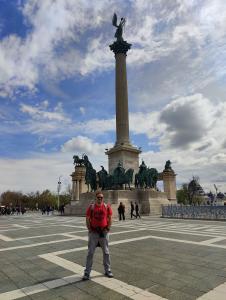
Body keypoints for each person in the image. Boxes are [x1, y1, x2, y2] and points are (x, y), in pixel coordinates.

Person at [83, 191, 113, 280]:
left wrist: (108, 228)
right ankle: (87, 273)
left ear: (103, 199)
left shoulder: (107, 207)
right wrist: (89, 229)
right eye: (98, 197)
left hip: (104, 232)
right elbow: (87, 218)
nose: (100, 199)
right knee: (90, 253)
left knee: (106, 252)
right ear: (95, 198)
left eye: (101, 197)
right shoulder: (91, 207)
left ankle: (108, 270)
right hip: (94, 233)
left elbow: (110, 217)